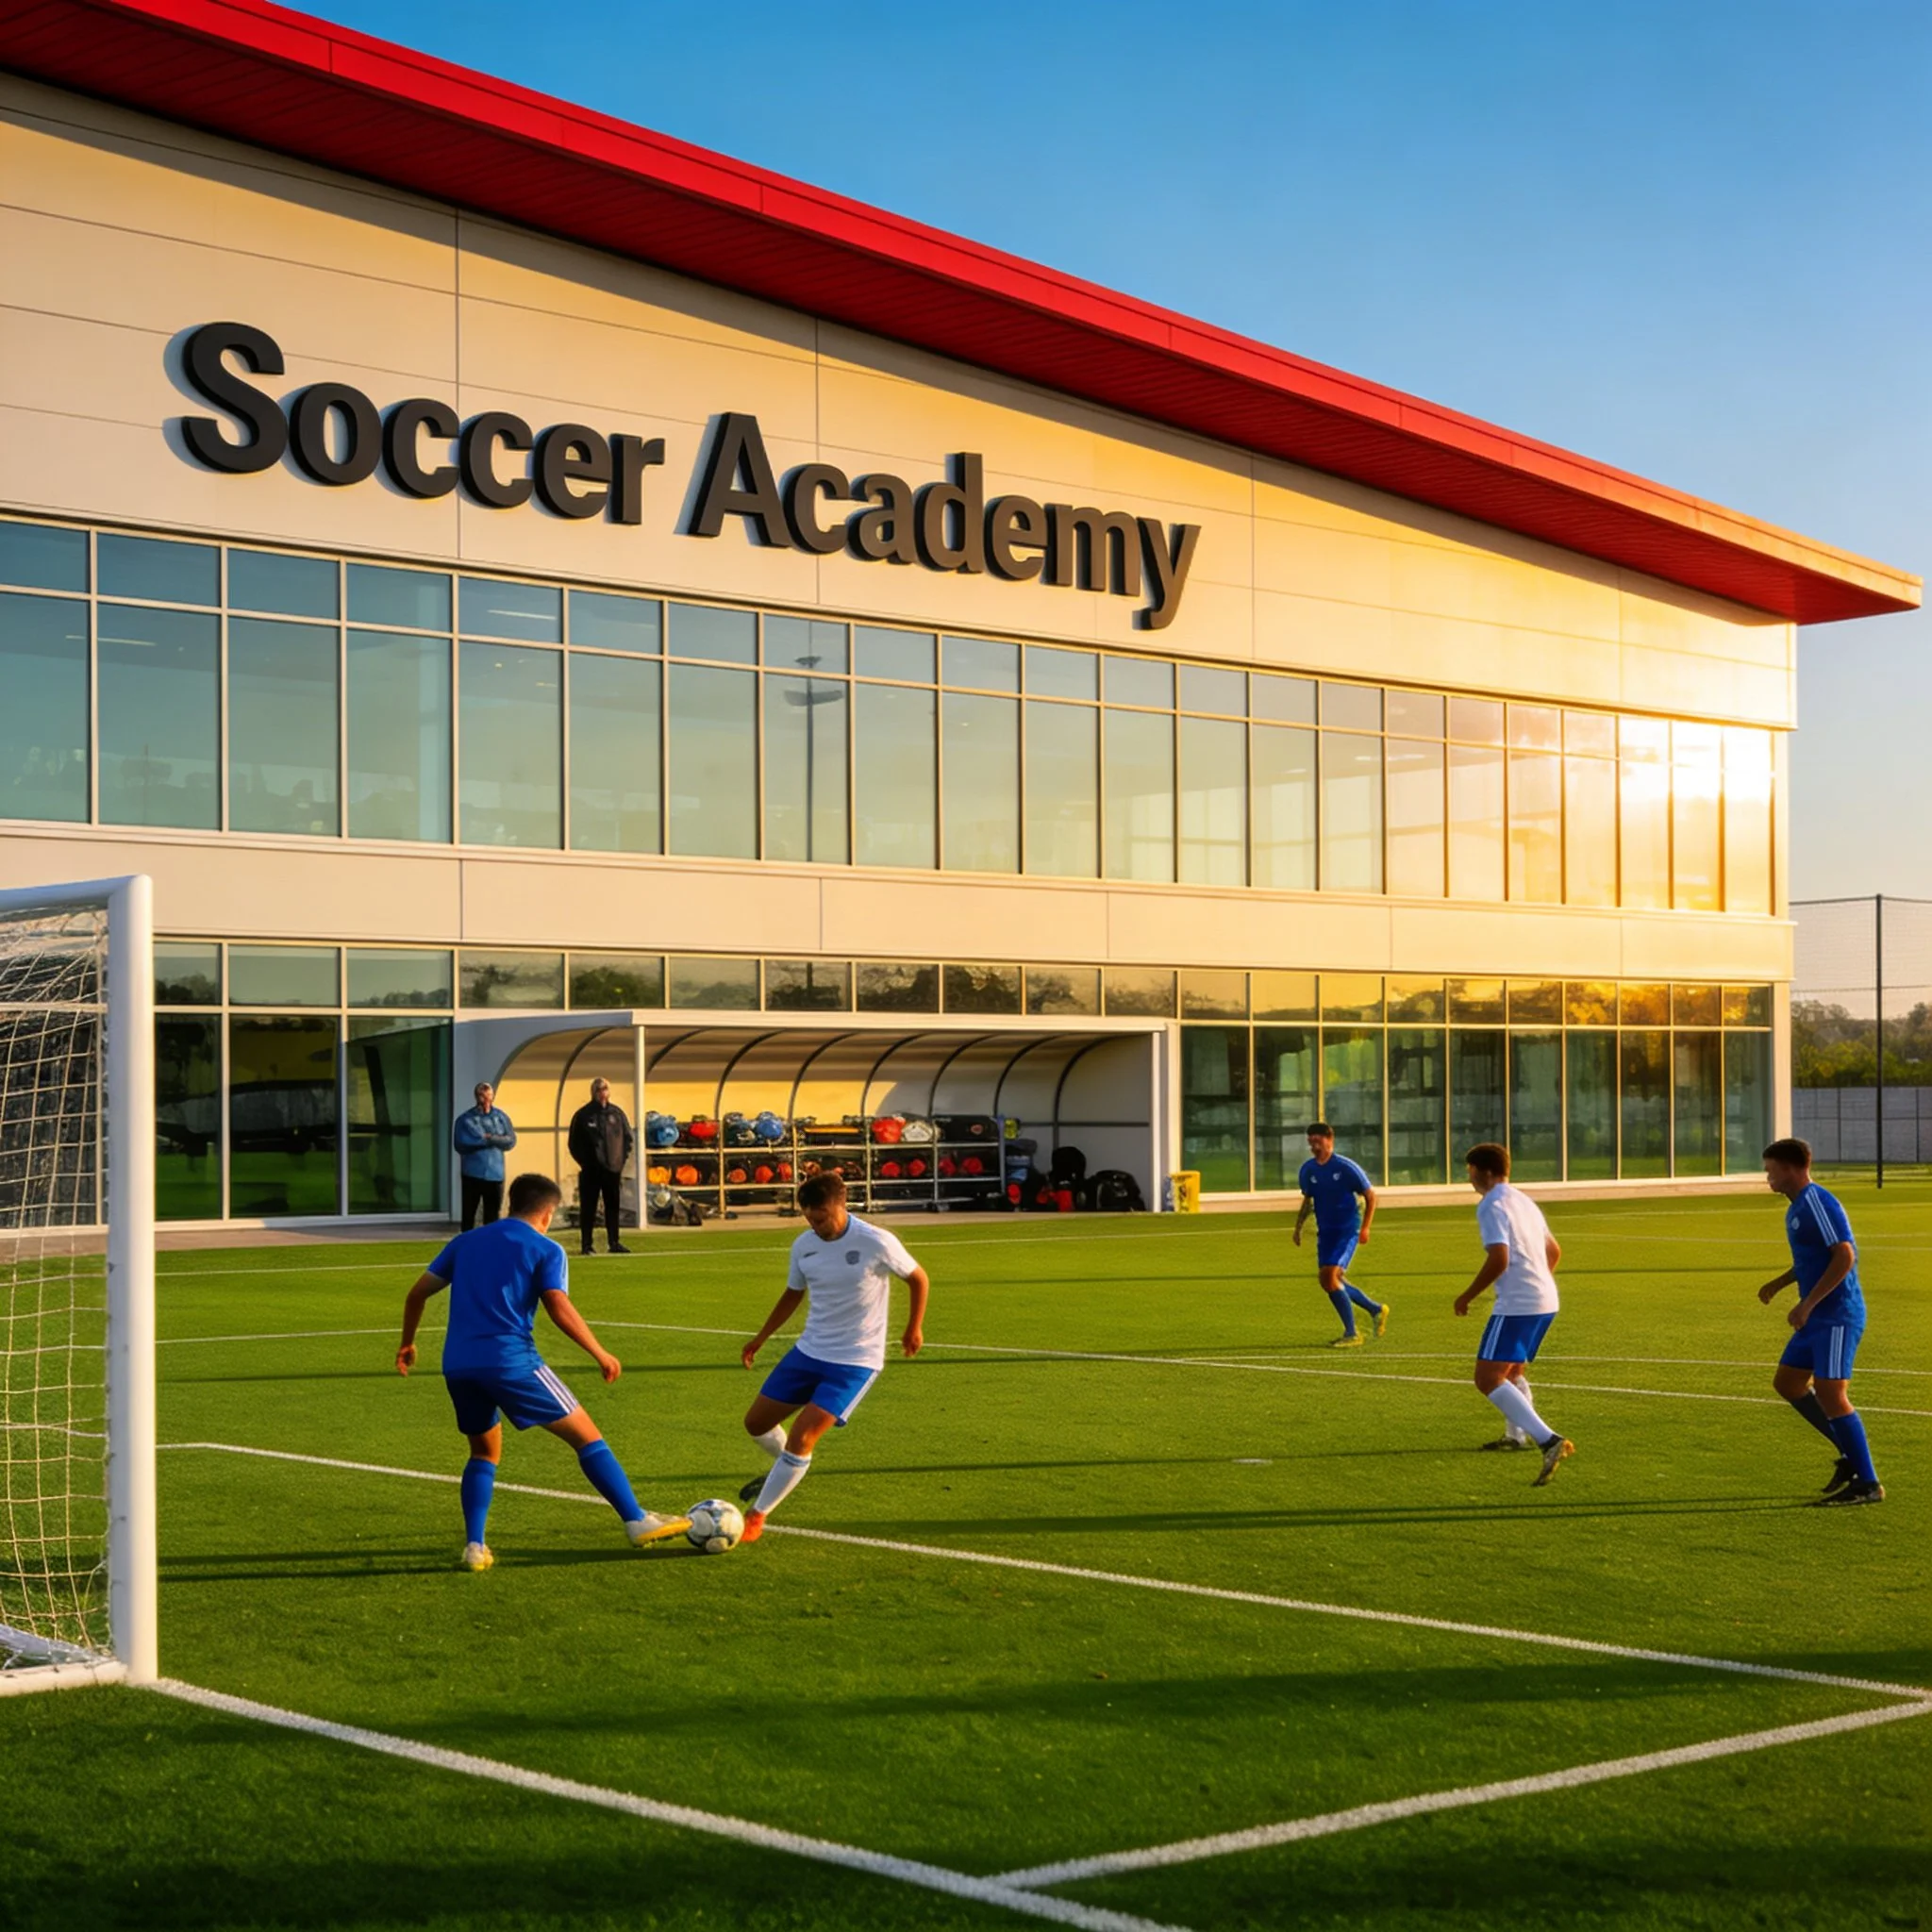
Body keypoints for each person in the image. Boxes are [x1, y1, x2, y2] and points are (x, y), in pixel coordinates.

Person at [394, 1171, 688, 1570]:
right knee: (588, 1438)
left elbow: (417, 1293)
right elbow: (557, 1304)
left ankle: (475, 1547)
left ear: (509, 1204)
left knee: (483, 1452)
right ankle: (636, 1519)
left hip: (459, 1366)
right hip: (512, 1362)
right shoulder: (545, 1249)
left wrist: (408, 1343)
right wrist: (599, 1352)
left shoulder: (465, 1242)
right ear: (547, 1213)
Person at [734, 1173, 930, 1544]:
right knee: (755, 1424)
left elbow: (918, 1278)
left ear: (841, 1204)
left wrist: (912, 1328)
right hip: (809, 1351)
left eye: (821, 1216)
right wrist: (761, 1337)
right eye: (808, 1217)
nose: (815, 1224)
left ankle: (757, 1516)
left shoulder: (876, 1241)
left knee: (803, 1436)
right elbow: (793, 1293)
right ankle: (786, 1470)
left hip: (855, 1360)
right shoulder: (803, 1246)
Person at [1757, 1137, 1883, 1506]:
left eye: (1771, 1172)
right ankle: (1849, 1456)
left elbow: (1844, 1256)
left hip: (1836, 1315)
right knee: (1789, 1382)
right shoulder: (1796, 1207)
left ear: (1792, 1168)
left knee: (1832, 1394)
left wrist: (1808, 1305)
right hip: (1817, 1317)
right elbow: (1813, 1260)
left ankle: (1868, 1484)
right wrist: (1780, 1283)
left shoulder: (1817, 1202)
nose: (1768, 1180)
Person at [1453, 1142, 1573, 1487]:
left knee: (1487, 1378)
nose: (1470, 1178)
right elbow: (1554, 1250)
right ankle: (1515, 1436)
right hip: (1545, 1299)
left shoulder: (1491, 1205)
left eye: (1470, 1171)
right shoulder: (1524, 1200)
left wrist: (1467, 1295)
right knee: (1512, 1369)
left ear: (1483, 1171)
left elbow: (1499, 1258)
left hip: (1519, 1302)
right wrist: (1538, 1282)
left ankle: (1548, 1440)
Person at [1293, 1123, 1387, 1347]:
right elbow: (1308, 1200)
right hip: (1325, 1233)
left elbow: (1371, 1196)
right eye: (1311, 1142)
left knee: (1329, 1277)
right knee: (1330, 1280)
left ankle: (1352, 1333)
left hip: (1347, 1230)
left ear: (1329, 1139)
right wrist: (1297, 1228)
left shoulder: (1346, 1167)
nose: (1314, 1146)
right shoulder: (1308, 1170)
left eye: (1318, 1141)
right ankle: (1376, 1310)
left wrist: (1365, 1228)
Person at [567, 1077, 633, 1257]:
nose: (602, 1092)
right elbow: (574, 1143)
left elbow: (627, 1139)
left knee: (613, 1207)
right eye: (598, 1089)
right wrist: (586, 1162)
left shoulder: (616, 1114)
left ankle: (614, 1242)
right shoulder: (584, 1115)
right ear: (593, 1092)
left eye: (604, 1089)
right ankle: (587, 1245)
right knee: (588, 1208)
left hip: (612, 1170)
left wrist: (620, 1161)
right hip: (591, 1171)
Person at [452, 1080, 517, 1228]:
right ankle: (467, 1245)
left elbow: (510, 1140)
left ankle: (490, 1245)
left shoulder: (501, 1118)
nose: (486, 1101)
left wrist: (490, 1138)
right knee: (469, 1214)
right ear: (477, 1097)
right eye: (483, 1097)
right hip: (472, 1173)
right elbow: (462, 1143)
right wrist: (488, 1141)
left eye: (489, 1097)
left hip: (495, 1174)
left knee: (493, 1215)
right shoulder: (465, 1120)